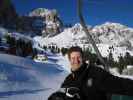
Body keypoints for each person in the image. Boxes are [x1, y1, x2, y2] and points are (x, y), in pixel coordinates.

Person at [48, 46, 133, 100]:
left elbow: (119, 84)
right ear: (69, 60)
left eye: (79, 57)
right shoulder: (69, 79)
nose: (76, 61)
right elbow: (61, 92)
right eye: (73, 58)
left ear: (83, 58)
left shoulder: (95, 73)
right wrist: (56, 96)